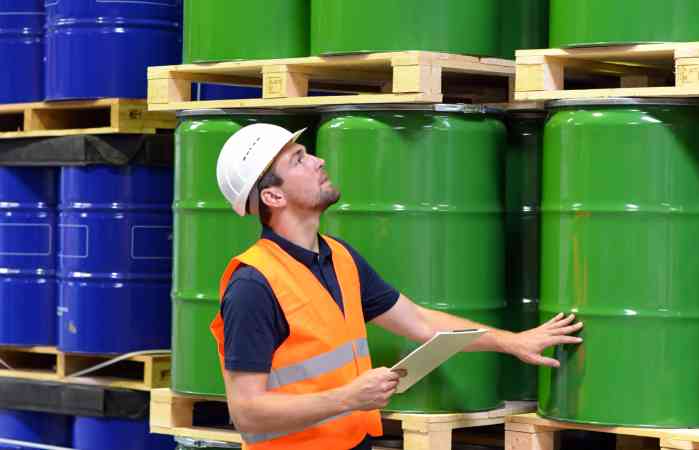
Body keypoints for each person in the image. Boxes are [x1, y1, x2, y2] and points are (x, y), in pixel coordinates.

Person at [210, 124, 583, 450]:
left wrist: (511, 342)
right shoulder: (253, 285)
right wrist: (348, 398)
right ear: (273, 197)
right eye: (298, 160)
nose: (318, 161)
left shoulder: (339, 258)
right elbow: (247, 414)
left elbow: (419, 322)